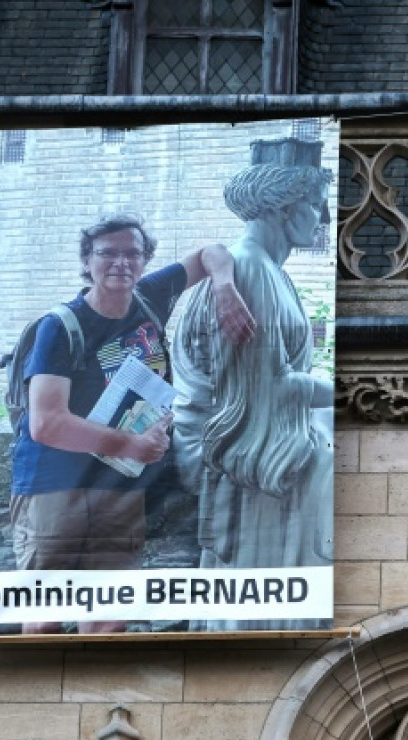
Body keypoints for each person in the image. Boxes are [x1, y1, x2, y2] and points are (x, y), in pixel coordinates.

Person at [10, 214, 250, 631]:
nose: (121, 262)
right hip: (55, 485)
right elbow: (46, 424)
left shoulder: (150, 297)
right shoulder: (59, 326)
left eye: (132, 253)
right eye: (107, 253)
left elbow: (213, 253)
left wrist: (224, 288)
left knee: (107, 619)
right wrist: (131, 445)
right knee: (45, 618)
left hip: (119, 487)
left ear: (144, 260)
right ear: (87, 262)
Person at [171, 138, 334, 581]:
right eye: (316, 204)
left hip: (259, 431)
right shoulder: (250, 270)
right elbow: (266, 390)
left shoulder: (266, 269)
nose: (325, 219)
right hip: (240, 452)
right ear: (283, 206)